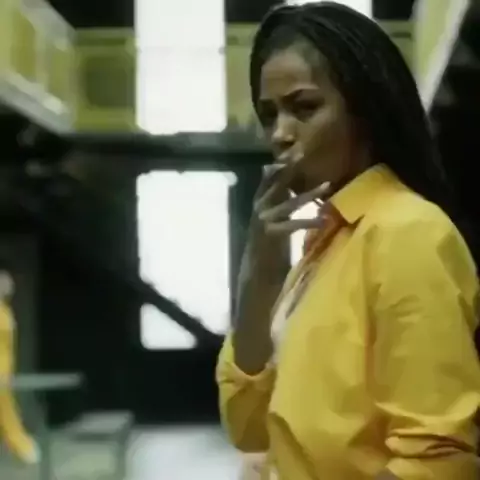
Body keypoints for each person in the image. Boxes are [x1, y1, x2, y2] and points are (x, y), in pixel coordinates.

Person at [216, 2, 480, 479]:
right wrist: (257, 279)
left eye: (304, 107)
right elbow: (250, 429)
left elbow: (433, 460)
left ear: (366, 110)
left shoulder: (407, 232)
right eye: (269, 114)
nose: (281, 134)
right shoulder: (323, 244)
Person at [0, 267, 39, 464]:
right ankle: (23, 448)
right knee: (6, 411)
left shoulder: (6, 311)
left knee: (7, 409)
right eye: (5, 283)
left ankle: (22, 448)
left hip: (6, 369)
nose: (9, 287)